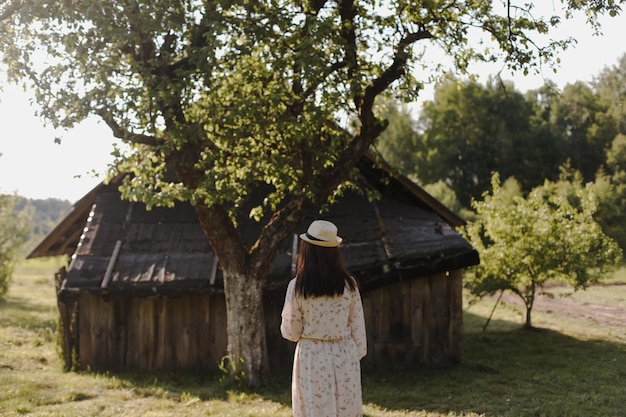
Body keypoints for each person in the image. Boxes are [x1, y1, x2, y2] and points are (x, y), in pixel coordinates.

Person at [280, 219, 367, 417]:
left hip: (312, 356)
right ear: (335, 252)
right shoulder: (349, 285)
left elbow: (291, 331)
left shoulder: (297, 287)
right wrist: (351, 354)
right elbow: (358, 330)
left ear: (307, 250)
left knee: (315, 411)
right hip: (345, 354)